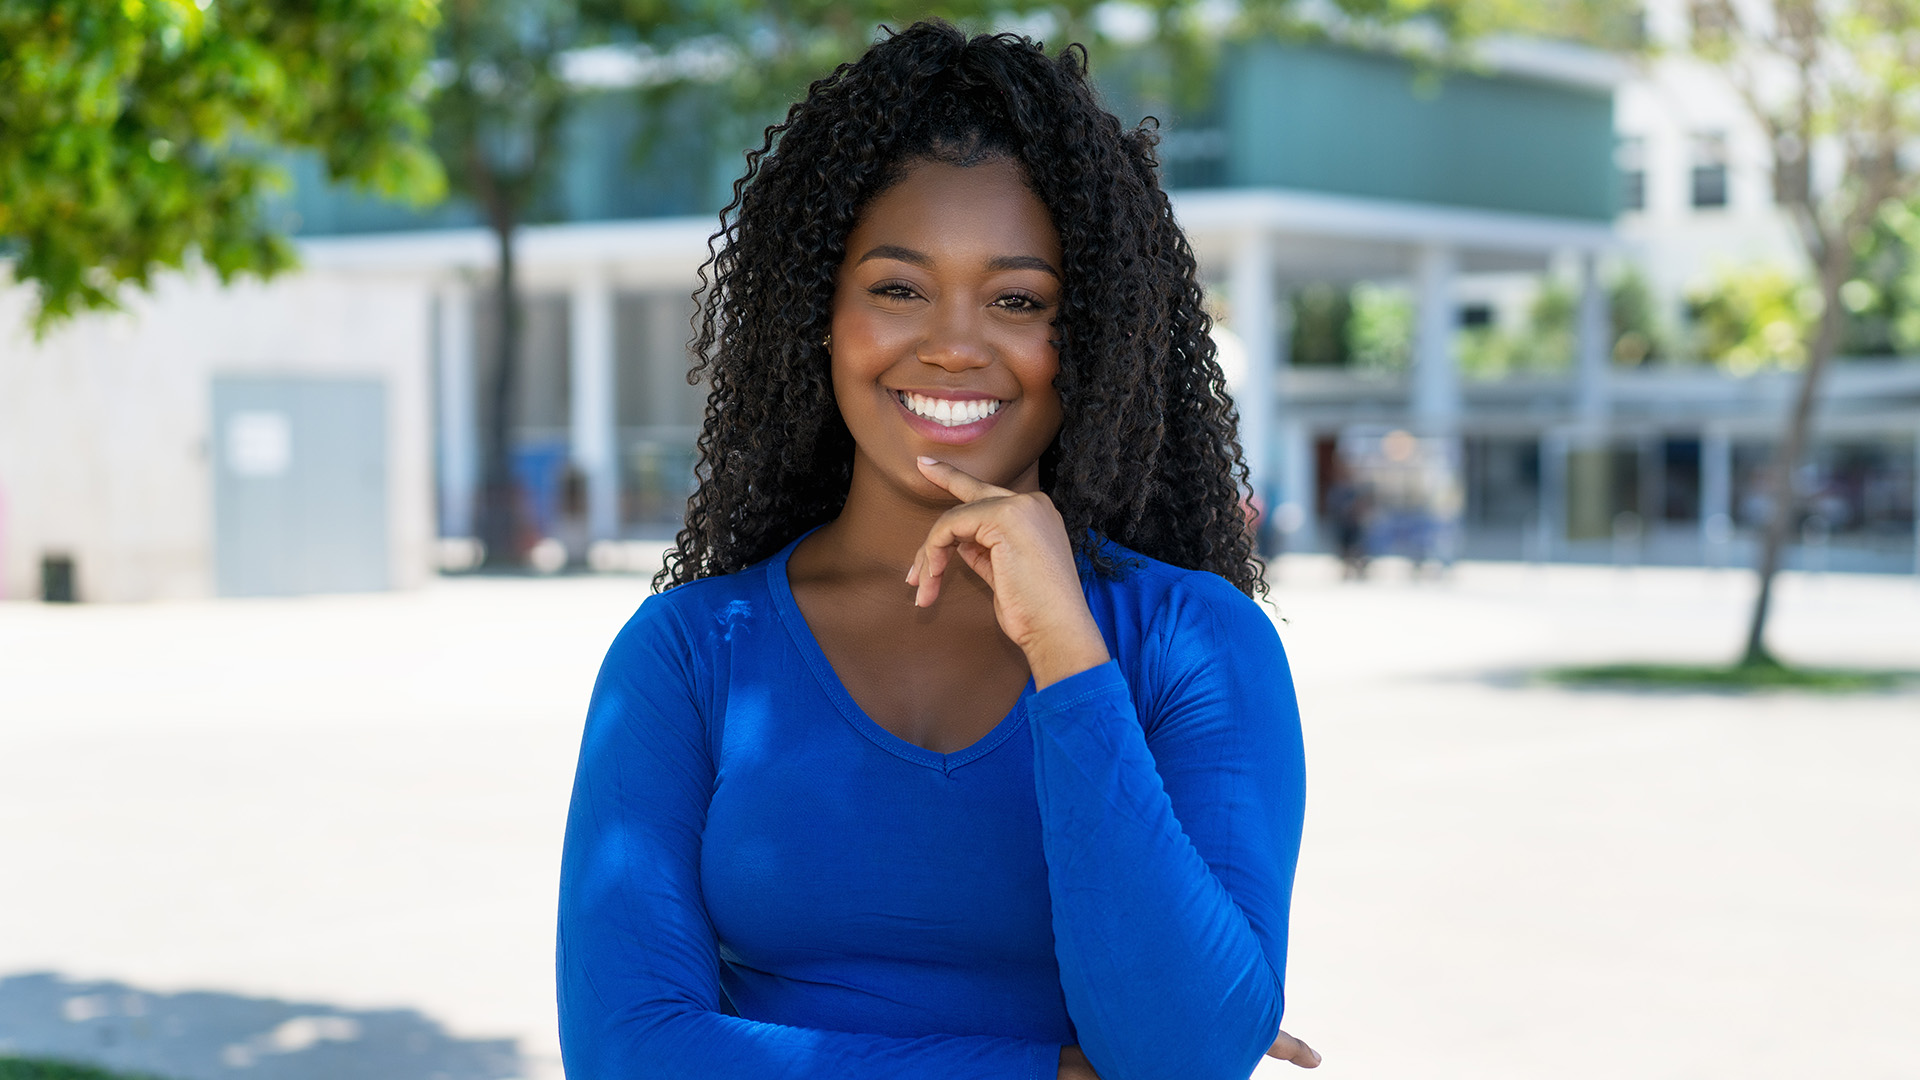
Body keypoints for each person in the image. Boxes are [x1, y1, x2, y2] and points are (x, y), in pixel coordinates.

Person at [557, 22, 1313, 1080]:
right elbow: (630, 1049)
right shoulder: (688, 654)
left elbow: (1182, 1054)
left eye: (1018, 300)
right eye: (898, 288)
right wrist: (1042, 1072)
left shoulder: (1194, 645)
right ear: (819, 315)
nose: (955, 343)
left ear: (1086, 334)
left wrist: (1066, 650)